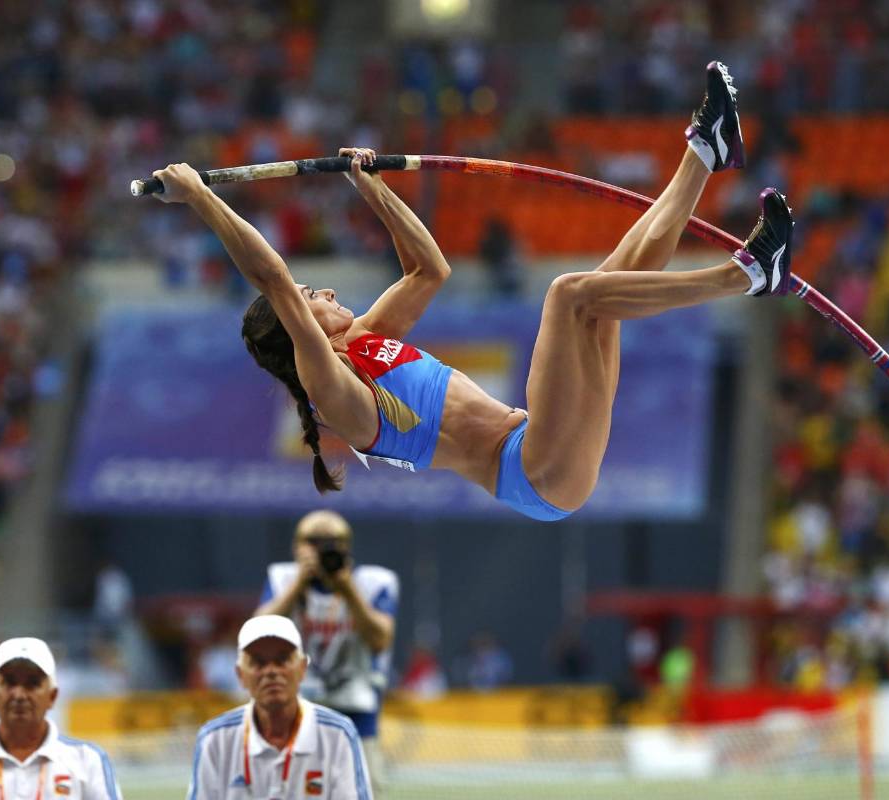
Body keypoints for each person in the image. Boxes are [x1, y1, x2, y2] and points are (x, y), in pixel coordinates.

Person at [153, 61, 793, 521]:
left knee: (602, 294)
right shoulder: (333, 388)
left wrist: (370, 188)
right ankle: (747, 274)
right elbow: (270, 277)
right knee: (570, 294)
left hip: (537, 444)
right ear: (299, 332)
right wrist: (203, 198)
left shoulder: (368, 340)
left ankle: (702, 155)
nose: (320, 292)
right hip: (535, 473)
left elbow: (429, 269)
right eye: (311, 296)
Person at [254, 510, 397, 784]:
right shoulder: (283, 578)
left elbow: (380, 640)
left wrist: (347, 589)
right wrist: (298, 585)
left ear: (347, 547)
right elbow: (258, 633)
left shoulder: (373, 582)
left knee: (364, 786)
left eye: (331, 543)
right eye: (313, 542)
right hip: (294, 707)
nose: (322, 550)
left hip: (356, 708)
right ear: (297, 546)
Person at [188, 615, 372, 799]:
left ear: (302, 669)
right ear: (240, 674)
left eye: (282, 660)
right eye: (258, 662)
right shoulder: (215, 740)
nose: (271, 671)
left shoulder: (337, 735)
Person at [0, 637, 122, 799]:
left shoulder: (87, 760)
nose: (19, 695)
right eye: (9, 682)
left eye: (32, 683)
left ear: (52, 696)